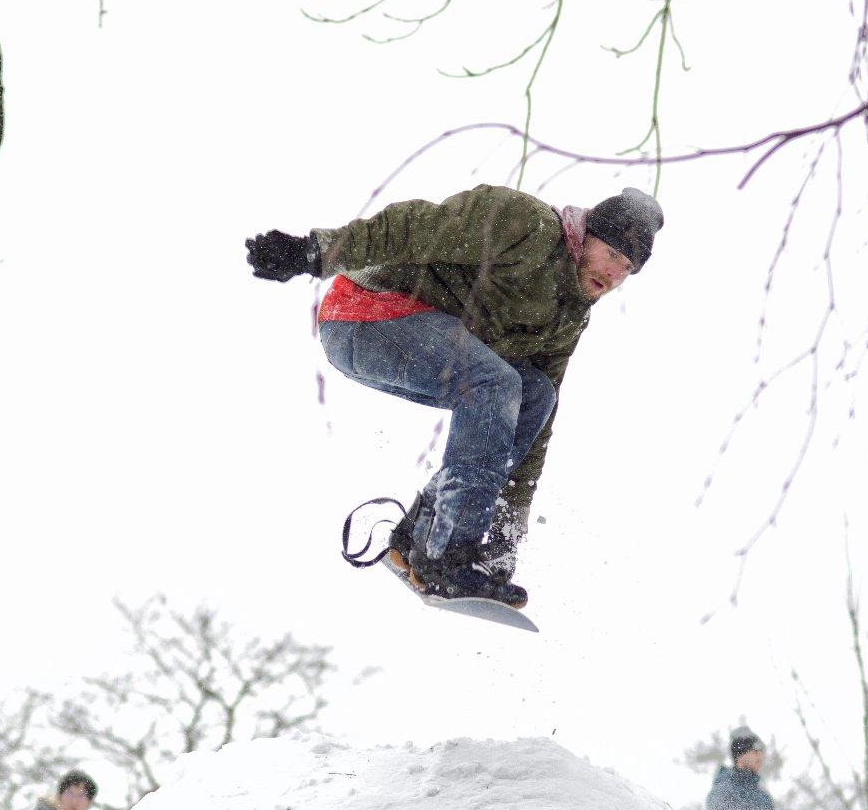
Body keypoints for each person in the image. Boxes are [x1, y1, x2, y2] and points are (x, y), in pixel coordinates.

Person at [246, 184, 664, 607]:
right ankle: (446, 553)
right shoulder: (527, 224)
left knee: (535, 394)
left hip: (426, 337)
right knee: (494, 384)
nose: (613, 276)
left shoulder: (570, 315)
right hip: (367, 312)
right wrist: (314, 252)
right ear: (587, 233)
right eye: (612, 255)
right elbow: (411, 226)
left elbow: (534, 425)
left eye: (627, 268)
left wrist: (507, 529)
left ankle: (421, 536)